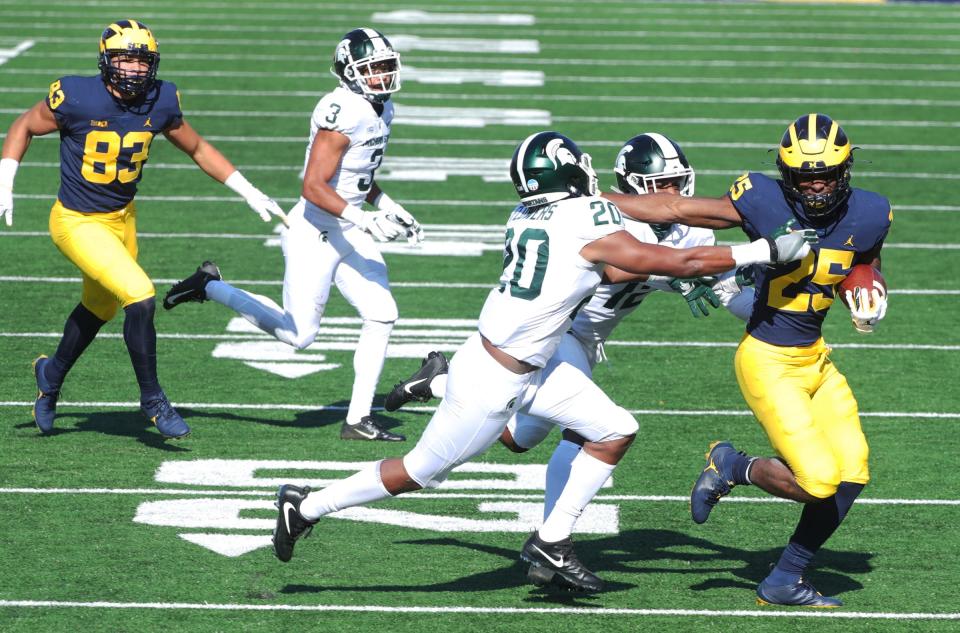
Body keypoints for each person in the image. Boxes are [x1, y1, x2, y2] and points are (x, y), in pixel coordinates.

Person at [269, 130, 816, 592]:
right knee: (420, 471)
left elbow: (662, 226)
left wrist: (745, 225)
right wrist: (763, 251)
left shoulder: (540, 210)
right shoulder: (583, 220)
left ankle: (552, 542)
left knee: (611, 430)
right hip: (501, 375)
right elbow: (666, 258)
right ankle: (308, 504)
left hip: (528, 360)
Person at [384, 133, 756, 592]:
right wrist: (679, 268)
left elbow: (736, 299)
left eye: (679, 182)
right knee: (592, 431)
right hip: (559, 336)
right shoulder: (599, 213)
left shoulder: (692, 233)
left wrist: (780, 295)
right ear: (634, 186)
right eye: (662, 184)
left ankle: (441, 381)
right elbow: (630, 260)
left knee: (520, 439)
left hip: (586, 340)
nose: (673, 194)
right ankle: (552, 542)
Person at [607, 114, 890, 607]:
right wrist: (590, 201)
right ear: (786, 175)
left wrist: (867, 289)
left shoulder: (871, 211)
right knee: (819, 479)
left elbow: (864, 260)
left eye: (825, 174)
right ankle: (731, 465)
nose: (816, 185)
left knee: (854, 471)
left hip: (815, 360)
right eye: (805, 176)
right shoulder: (762, 198)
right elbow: (676, 207)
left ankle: (784, 579)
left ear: (845, 171)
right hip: (768, 359)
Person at [0, 20, 285, 438]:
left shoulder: (162, 98)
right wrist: (6, 178)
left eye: (141, 60)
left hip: (122, 218)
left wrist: (247, 189)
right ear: (106, 60)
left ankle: (51, 374)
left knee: (101, 307)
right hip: (76, 220)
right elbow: (25, 124)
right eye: (125, 58)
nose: (134, 69)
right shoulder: (77, 96)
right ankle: (152, 399)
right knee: (140, 295)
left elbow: (198, 147)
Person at [163, 28, 421, 442]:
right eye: (372, 69)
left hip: (347, 226)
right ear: (348, 73)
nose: (382, 77)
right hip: (316, 230)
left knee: (382, 313)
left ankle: (357, 419)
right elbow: (313, 185)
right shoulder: (343, 111)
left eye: (386, 67)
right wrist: (366, 220)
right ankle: (210, 286)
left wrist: (386, 205)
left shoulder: (382, 109)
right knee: (298, 335)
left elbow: (356, 177)